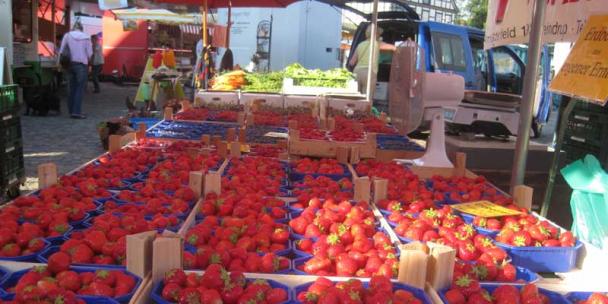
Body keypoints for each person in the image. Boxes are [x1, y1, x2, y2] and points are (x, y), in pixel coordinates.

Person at [59, 22, 92, 119]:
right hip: (82, 65)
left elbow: (61, 51)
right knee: (80, 89)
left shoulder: (67, 35)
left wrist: (59, 64)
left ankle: (71, 111)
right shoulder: (86, 37)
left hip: (69, 64)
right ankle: (76, 112)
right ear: (82, 29)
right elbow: (89, 53)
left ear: (73, 28)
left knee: (71, 88)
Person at [349, 26, 384, 96]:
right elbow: (392, 47)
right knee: (367, 98)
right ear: (376, 35)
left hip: (357, 72)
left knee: (355, 97)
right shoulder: (377, 44)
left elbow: (351, 62)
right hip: (369, 73)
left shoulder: (360, 45)